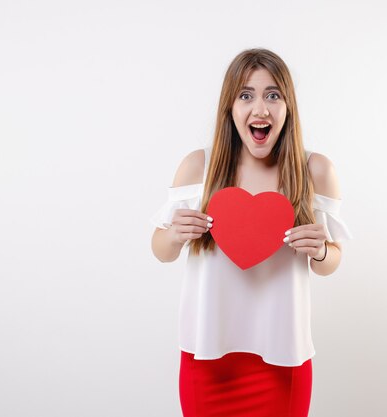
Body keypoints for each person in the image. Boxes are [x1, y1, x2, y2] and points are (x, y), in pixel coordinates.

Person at [150, 48, 352, 417]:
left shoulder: (315, 171)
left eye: (273, 95)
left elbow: (331, 261)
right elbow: (160, 249)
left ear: (288, 107)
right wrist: (176, 235)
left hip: (283, 360)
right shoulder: (200, 168)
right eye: (246, 95)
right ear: (230, 107)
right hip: (207, 358)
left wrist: (321, 251)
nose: (260, 109)